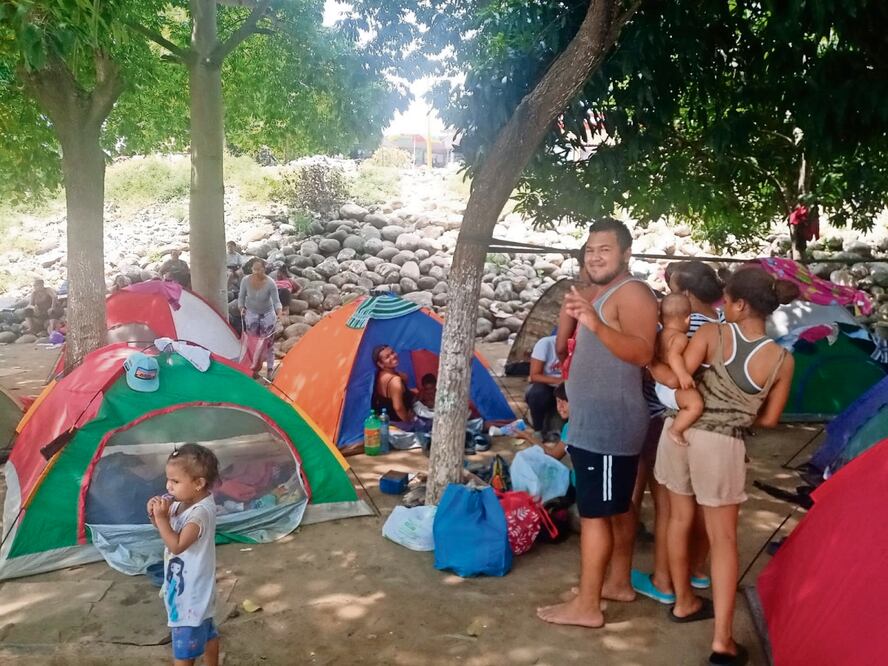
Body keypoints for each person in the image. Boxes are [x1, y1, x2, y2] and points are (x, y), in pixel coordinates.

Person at [654, 266, 797, 665]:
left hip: (678, 433)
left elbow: (684, 381)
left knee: (679, 519)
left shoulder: (711, 334)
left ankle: (684, 602)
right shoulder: (781, 360)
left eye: (727, 300)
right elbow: (768, 420)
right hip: (720, 445)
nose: (722, 307)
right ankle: (722, 642)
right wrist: (739, 411)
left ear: (739, 304)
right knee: (724, 542)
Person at [538, 217, 658, 629]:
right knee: (617, 511)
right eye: (590, 249)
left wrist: (595, 323)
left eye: (605, 249)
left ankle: (588, 606)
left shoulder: (635, 293)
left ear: (626, 254)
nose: (595, 256)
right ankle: (617, 584)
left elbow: (643, 353)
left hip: (611, 425)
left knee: (593, 515)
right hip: (594, 422)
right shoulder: (600, 293)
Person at [632, 260, 725, 605]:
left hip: (668, 417)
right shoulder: (722, 323)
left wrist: (650, 365)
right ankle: (696, 569)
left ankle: (665, 579)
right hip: (714, 426)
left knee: (669, 507)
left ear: (685, 293)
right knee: (701, 505)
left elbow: (673, 376)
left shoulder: (684, 328)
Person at [147, 444, 221, 666]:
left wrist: (161, 520)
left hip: (191, 594)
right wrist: (155, 515)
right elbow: (165, 531)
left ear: (198, 483)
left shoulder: (200, 514)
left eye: (176, 481)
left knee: (183, 651)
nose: (168, 486)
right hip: (190, 587)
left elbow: (177, 544)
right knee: (207, 632)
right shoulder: (182, 503)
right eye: (168, 479)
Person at [655, 294, 704, 446]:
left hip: (660, 385)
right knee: (695, 405)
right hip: (672, 388)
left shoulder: (658, 335)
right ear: (688, 319)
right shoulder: (680, 337)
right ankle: (675, 430)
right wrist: (683, 374)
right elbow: (673, 355)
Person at [238, 259, 283, 379]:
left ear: (264, 269)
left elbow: (276, 301)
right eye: (254, 269)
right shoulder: (245, 280)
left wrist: (279, 311)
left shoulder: (270, 283)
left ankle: (269, 370)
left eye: (259, 269)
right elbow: (241, 297)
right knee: (252, 343)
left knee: (268, 344)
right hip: (251, 314)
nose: (256, 272)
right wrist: (241, 307)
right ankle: (253, 369)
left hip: (267, 315)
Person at [524, 334, 562, 435]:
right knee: (537, 394)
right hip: (547, 386)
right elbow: (534, 376)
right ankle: (538, 430)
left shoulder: (578, 346)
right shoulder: (545, 344)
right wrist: (559, 380)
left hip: (566, 389)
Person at [371, 345, 416, 425]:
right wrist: (408, 422)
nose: (393, 356)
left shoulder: (379, 376)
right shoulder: (395, 381)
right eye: (387, 357)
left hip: (385, 420)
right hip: (398, 423)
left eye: (392, 352)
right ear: (380, 364)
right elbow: (398, 408)